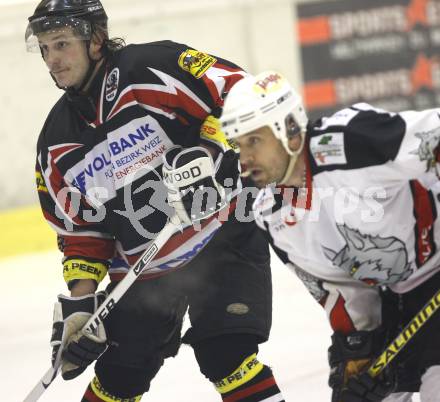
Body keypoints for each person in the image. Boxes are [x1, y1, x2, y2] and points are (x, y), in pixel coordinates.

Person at [25, 1, 285, 401]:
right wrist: (81, 305)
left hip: (221, 233)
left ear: (95, 39)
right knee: (117, 379)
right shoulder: (56, 142)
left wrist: (212, 150)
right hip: (147, 270)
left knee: (226, 354)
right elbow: (84, 232)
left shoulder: (151, 67)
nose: (52, 60)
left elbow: (242, 91)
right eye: (44, 49)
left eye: (61, 44)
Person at [220, 70, 440, 402]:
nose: (245, 159)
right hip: (395, 299)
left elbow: (432, 136)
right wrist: (357, 355)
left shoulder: (351, 140)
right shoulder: (271, 214)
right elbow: (340, 292)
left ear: (291, 132)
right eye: (239, 145)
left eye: (254, 141)